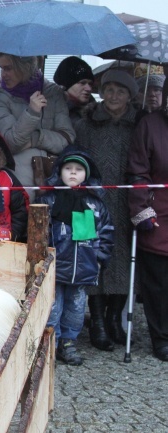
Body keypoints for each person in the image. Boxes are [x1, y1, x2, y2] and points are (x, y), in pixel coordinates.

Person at [75, 69, 139, 352]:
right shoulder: (87, 122)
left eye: (121, 92)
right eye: (110, 90)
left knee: (123, 259)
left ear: (129, 97)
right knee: (92, 256)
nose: (114, 96)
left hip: (126, 203)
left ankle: (115, 319)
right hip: (91, 200)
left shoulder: (138, 124)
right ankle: (98, 321)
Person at [36, 151, 114, 365]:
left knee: (76, 308)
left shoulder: (95, 204)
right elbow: (37, 232)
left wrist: (98, 260)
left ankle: (68, 343)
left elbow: (106, 232)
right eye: (68, 168)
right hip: (54, 268)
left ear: (86, 175)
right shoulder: (48, 200)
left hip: (83, 270)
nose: (73, 173)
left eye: (78, 170)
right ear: (59, 172)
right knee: (52, 307)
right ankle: (49, 342)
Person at [0, 53, 74, 202]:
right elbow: (9, 144)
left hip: (53, 182)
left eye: (8, 68)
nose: (3, 75)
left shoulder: (53, 93)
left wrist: (35, 138)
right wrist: (32, 113)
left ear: (25, 67)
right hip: (17, 184)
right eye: (2, 68)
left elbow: (67, 138)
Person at [126, 82, 168, 361]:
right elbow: (137, 172)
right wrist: (142, 210)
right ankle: (162, 336)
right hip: (159, 213)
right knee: (158, 281)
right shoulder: (150, 125)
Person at [53, 56, 96, 127]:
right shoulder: (49, 111)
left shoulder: (96, 113)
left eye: (90, 84)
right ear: (66, 85)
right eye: (82, 83)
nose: (89, 88)